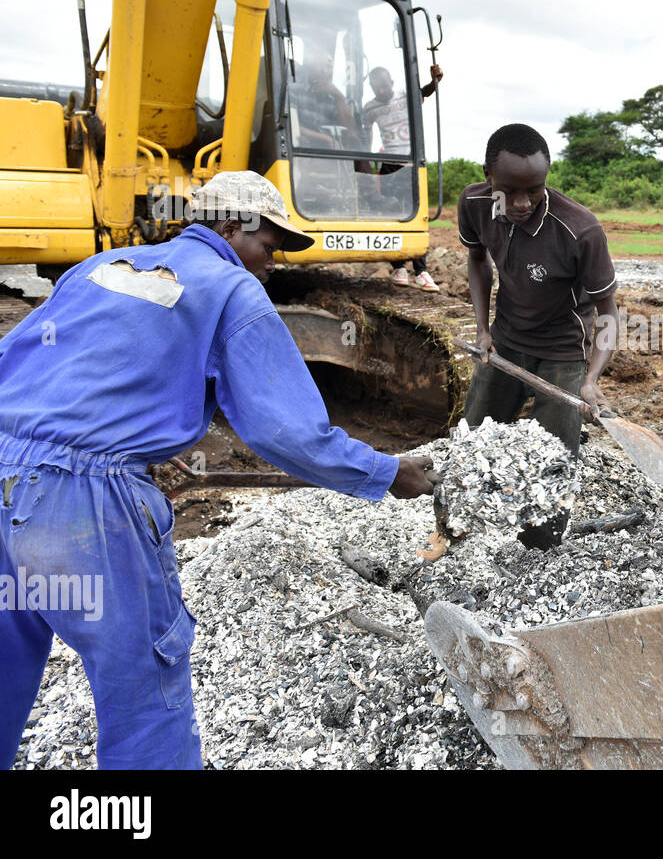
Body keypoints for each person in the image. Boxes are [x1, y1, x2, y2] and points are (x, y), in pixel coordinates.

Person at [0, 171, 438, 770]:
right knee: (142, 684)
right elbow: (281, 429)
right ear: (232, 228)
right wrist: (388, 473)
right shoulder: (232, 289)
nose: (272, 263)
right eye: (269, 246)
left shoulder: (102, 267)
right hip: (86, 506)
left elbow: (17, 359)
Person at [458, 124, 617, 548]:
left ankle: (540, 550)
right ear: (489, 177)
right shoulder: (476, 204)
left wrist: (590, 380)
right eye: (509, 191)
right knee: (473, 442)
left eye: (535, 191)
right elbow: (478, 261)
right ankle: (457, 533)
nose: (522, 202)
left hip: (563, 351)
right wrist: (483, 330)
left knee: (551, 462)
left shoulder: (579, 230)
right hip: (507, 341)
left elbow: (608, 315)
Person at [361, 64, 444, 291]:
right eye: (377, 88)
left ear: (392, 83)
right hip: (389, 165)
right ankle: (398, 267)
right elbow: (366, 135)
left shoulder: (405, 96)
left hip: (411, 163)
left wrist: (434, 81)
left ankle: (421, 271)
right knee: (393, 213)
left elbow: (424, 92)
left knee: (415, 213)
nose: (382, 91)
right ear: (372, 88)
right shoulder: (369, 109)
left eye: (385, 86)